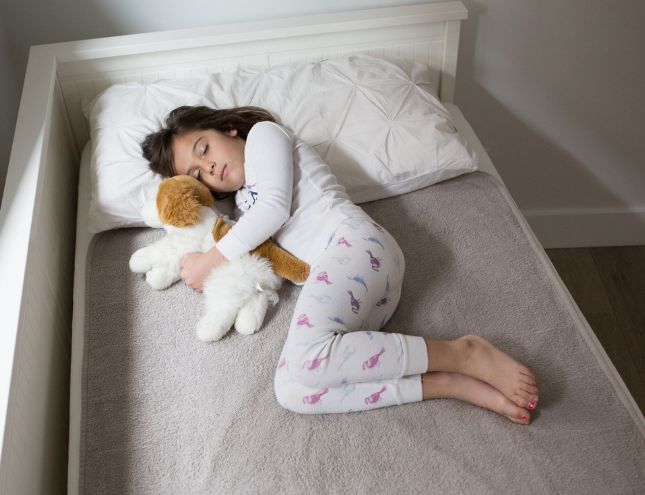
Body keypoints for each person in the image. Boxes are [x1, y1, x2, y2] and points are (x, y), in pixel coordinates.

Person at [142, 106, 538, 422]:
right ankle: (449, 382)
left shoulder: (264, 136)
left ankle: (464, 354)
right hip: (359, 290)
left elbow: (275, 208)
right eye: (197, 173)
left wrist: (211, 260)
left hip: (357, 245)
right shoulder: (243, 207)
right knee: (291, 389)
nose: (208, 169)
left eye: (203, 149)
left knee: (307, 361)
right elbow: (247, 239)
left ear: (228, 128)